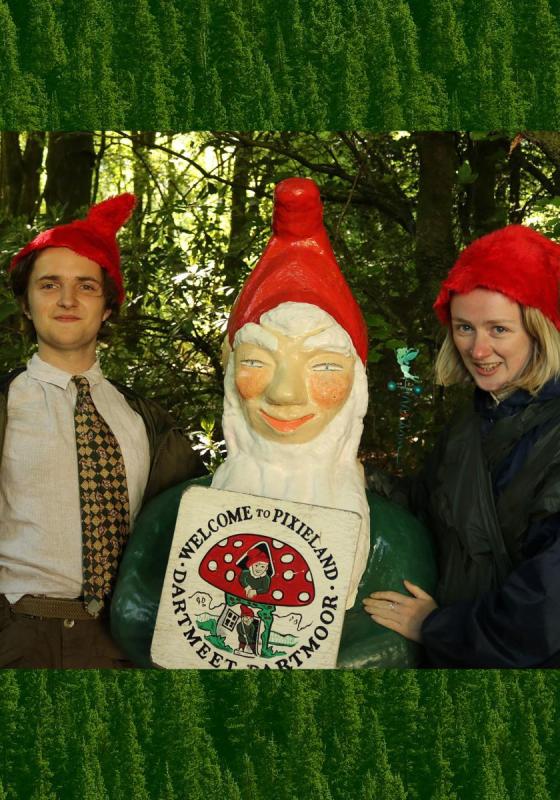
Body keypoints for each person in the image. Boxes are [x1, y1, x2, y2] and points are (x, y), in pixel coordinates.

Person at [111, 177, 436, 668]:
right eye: (258, 362)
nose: (284, 394)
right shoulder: (175, 511)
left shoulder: (395, 535)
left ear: (357, 386)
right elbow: (133, 615)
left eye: (323, 367)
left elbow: (396, 648)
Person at [0, 194, 204, 668]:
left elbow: (194, 515)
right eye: (49, 285)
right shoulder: (7, 405)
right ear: (26, 304)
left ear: (108, 306)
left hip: (126, 640)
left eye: (86, 287)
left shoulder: (146, 420)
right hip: (19, 636)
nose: (67, 300)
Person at [364, 225, 560, 668]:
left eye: (499, 329)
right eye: (464, 327)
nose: (478, 348)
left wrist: (435, 628)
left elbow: (547, 605)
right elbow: (430, 504)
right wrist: (360, 479)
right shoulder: (473, 420)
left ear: (539, 330)